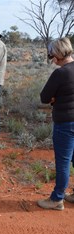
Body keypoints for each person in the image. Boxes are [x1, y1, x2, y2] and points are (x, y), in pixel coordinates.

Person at [37, 37, 74, 210]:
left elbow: (44, 97)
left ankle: (57, 199)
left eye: (52, 54)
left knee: (63, 162)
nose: (51, 58)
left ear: (58, 54)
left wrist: (55, 98)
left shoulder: (60, 73)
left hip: (65, 122)